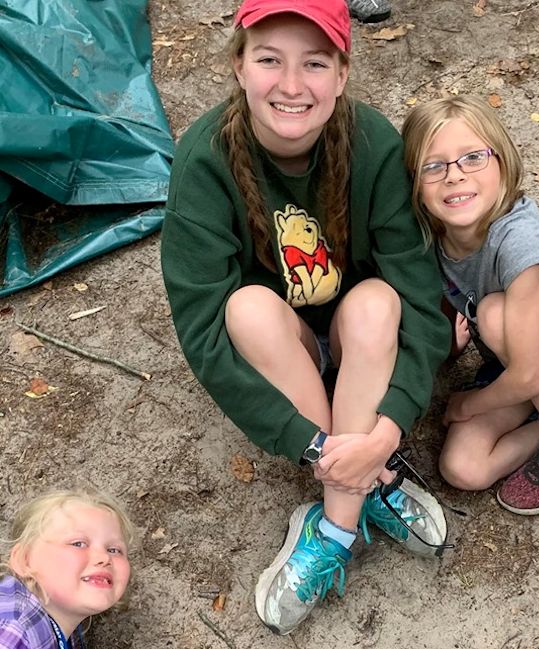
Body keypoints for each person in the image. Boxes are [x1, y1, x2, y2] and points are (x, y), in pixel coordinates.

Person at [160, 0, 450, 635]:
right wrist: (315, 448)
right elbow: (203, 328)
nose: (291, 86)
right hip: (279, 346)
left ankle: (333, 526)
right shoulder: (205, 158)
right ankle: (363, 487)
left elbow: (421, 301)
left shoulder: (373, 144)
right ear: (239, 65)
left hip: (354, 341)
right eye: (269, 60)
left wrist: (388, 430)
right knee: (247, 307)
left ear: (342, 74)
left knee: (378, 302)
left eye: (314, 63)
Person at [401, 96, 539, 515]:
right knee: (462, 469)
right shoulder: (432, 236)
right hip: (513, 357)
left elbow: (526, 372)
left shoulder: (516, 235)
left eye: (472, 158)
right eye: (434, 166)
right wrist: (446, 346)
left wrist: (468, 404)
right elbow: (449, 311)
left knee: (494, 313)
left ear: (502, 161)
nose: (454, 176)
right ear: (414, 181)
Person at [1, 489, 134, 649]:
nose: (104, 558)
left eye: (114, 550)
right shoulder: (13, 631)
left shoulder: (53, 623)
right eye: (78, 544)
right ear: (25, 559)